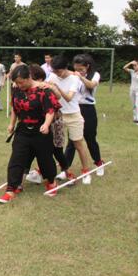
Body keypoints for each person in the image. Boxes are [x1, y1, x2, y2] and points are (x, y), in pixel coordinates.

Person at [0, 65, 60, 204]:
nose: (18, 85)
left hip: (40, 130)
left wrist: (46, 124)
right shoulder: (18, 90)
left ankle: (51, 182)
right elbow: (15, 108)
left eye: (21, 82)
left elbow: (51, 110)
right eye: (16, 83)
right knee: (16, 158)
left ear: (29, 78)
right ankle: (11, 189)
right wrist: (12, 124)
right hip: (23, 130)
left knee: (45, 159)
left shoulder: (43, 90)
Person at [47, 55, 92, 184]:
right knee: (55, 145)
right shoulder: (53, 75)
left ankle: (86, 171)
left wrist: (56, 87)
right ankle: (63, 170)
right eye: (54, 71)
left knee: (78, 144)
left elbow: (68, 98)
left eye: (58, 71)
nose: (56, 74)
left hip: (73, 115)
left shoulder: (74, 79)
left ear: (65, 68)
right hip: (57, 115)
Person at [25, 65, 74, 185]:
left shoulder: (46, 87)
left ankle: (67, 171)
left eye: (30, 77)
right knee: (33, 150)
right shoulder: (27, 89)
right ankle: (28, 174)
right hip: (39, 124)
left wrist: (51, 87)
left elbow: (57, 96)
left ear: (39, 79)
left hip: (54, 123)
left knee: (56, 150)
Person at [65, 54, 106, 176]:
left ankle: (99, 163)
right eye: (76, 69)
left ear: (87, 67)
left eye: (81, 69)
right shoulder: (72, 76)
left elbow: (91, 85)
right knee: (72, 140)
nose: (78, 71)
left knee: (90, 138)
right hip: (75, 109)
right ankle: (65, 168)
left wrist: (81, 77)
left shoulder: (95, 75)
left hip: (88, 109)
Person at [123, 60, 138, 125]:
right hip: (132, 90)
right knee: (133, 105)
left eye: (136, 65)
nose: (134, 67)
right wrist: (130, 62)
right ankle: (135, 118)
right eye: (133, 66)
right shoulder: (132, 72)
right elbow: (124, 67)